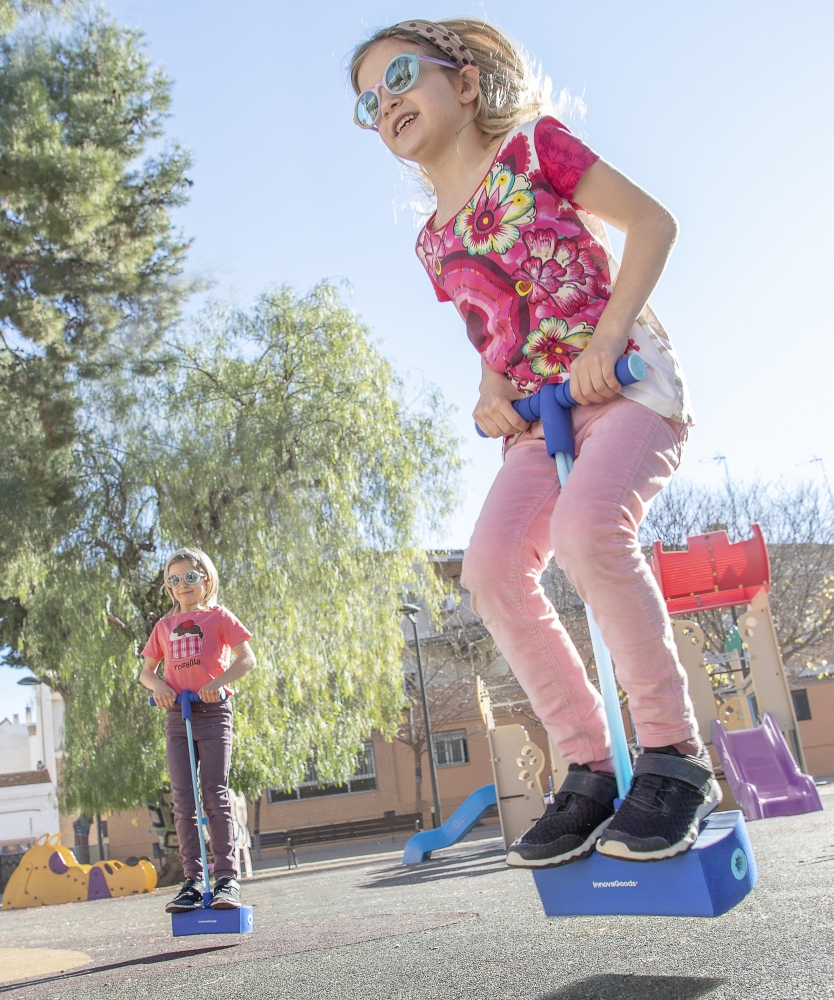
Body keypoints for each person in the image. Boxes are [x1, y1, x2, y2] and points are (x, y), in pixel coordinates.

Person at [349, 19, 720, 868]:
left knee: (592, 531)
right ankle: (588, 766)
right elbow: (493, 330)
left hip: (625, 384)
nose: (386, 101)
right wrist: (489, 391)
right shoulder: (433, 242)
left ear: (467, 82)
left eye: (400, 75)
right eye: (369, 101)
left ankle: (672, 757)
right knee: (488, 571)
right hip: (538, 418)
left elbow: (652, 224)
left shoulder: (534, 148)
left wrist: (604, 342)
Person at [139, 547, 256, 909]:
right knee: (182, 799)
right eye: (174, 580)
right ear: (168, 587)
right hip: (177, 715)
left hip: (212, 710)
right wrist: (158, 686)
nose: (182, 585)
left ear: (206, 579)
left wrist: (218, 681)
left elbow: (247, 659)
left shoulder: (219, 617)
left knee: (214, 794)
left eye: (190, 576)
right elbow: (146, 672)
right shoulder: (163, 627)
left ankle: (225, 878)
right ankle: (191, 880)